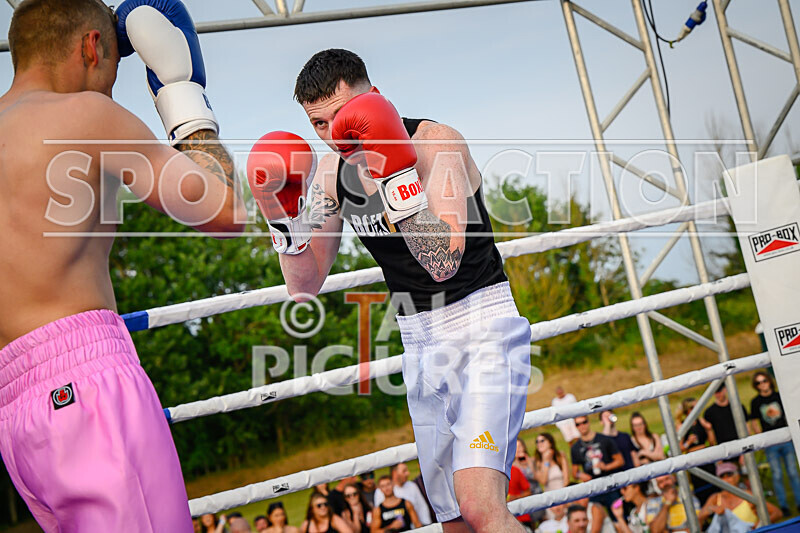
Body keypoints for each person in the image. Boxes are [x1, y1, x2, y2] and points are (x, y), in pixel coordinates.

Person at [248, 48, 532, 533]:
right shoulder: (333, 177)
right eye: (319, 124)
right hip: (419, 343)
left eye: (342, 116)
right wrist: (282, 219)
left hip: (483, 329)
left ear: (373, 96)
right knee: (455, 522)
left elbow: (443, 263)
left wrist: (397, 180)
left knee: (481, 507)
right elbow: (305, 283)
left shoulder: (434, 144)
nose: (336, 133)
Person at [0, 0, 244, 530]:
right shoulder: (86, 116)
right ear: (92, 46)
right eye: (115, 64)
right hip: (88, 393)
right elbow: (226, 209)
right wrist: (184, 97)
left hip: (16, 421)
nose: (112, 83)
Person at [748, 370, 800, 516]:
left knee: (793, 472)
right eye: (758, 382)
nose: (762, 384)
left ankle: (799, 502)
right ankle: (783, 506)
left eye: (764, 380)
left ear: (769, 381)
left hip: (786, 439)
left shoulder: (780, 396)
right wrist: (762, 439)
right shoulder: (755, 402)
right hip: (770, 443)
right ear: (755, 385)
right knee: (776, 475)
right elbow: (754, 421)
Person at [698, 462, 783, 531]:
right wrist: (710, 510)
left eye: (729, 474)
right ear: (718, 480)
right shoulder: (715, 498)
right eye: (722, 476)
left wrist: (758, 525)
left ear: (737, 476)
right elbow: (697, 520)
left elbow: (777, 513)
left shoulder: (747, 495)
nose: (726, 479)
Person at [571, 416, 625, 517]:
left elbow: (620, 460)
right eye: (578, 424)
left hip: (610, 485)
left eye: (584, 422)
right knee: (595, 519)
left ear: (589, 422)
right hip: (593, 488)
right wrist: (581, 475)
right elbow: (574, 472)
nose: (582, 426)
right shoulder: (575, 447)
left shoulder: (604, 439)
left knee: (618, 517)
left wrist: (606, 467)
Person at [675, 397, 716, 504]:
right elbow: (678, 448)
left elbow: (711, 442)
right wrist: (688, 442)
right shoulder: (681, 425)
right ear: (688, 410)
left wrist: (709, 429)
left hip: (706, 457)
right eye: (693, 407)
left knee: (714, 485)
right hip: (694, 460)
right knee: (701, 489)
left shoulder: (700, 421)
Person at [702, 383, 748, 447]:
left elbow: (746, 427)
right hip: (723, 449)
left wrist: (745, 447)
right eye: (715, 392)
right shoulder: (709, 412)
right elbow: (711, 439)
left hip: (740, 445)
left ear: (725, 389)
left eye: (719, 391)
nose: (717, 394)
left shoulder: (738, 406)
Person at [508, 463, 534, 531]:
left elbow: (528, 492)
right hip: (500, 518)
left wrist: (516, 497)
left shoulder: (515, 470)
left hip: (521, 518)